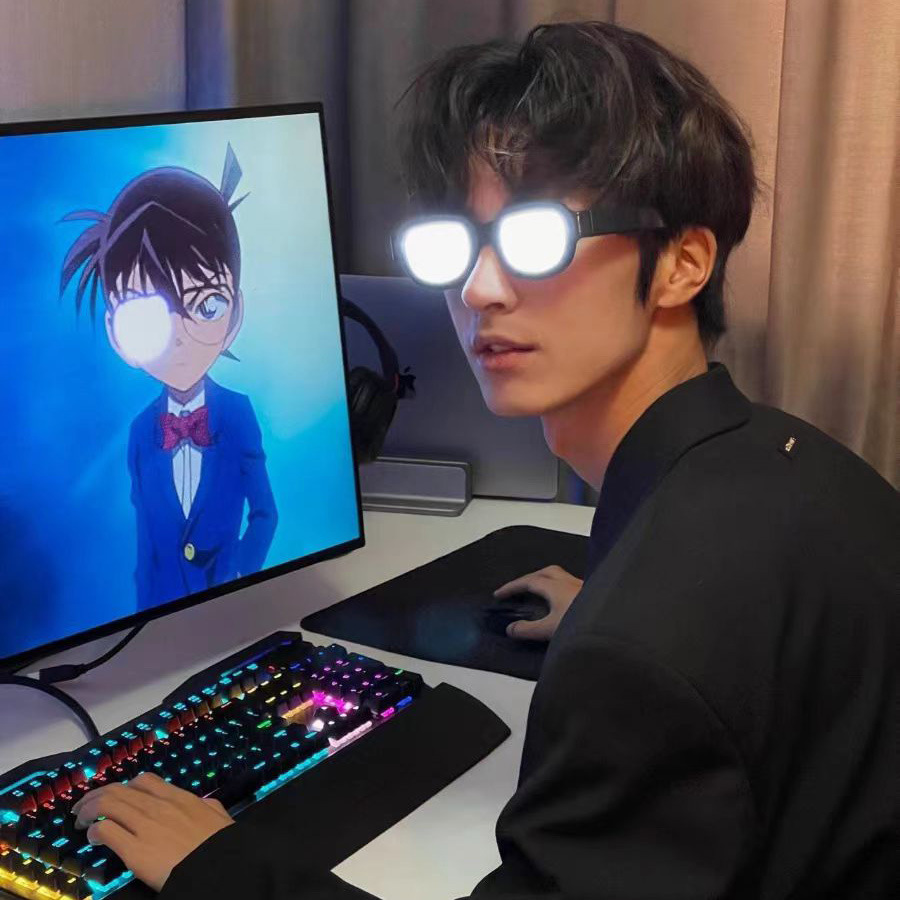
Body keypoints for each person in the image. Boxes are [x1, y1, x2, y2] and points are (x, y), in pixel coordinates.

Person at [69, 21, 898, 899]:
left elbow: (667, 663)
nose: (479, 289)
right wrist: (612, 604)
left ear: (684, 264)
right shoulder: (807, 474)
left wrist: (218, 867)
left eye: (538, 239)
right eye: (459, 245)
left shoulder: (640, 649)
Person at [60, 145, 278, 611]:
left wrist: (242, 574)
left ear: (235, 313)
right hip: (160, 613)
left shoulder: (237, 413)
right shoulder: (142, 431)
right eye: (146, 317)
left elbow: (264, 512)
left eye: (207, 305)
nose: (178, 337)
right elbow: (147, 546)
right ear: (117, 334)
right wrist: (146, 615)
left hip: (234, 607)